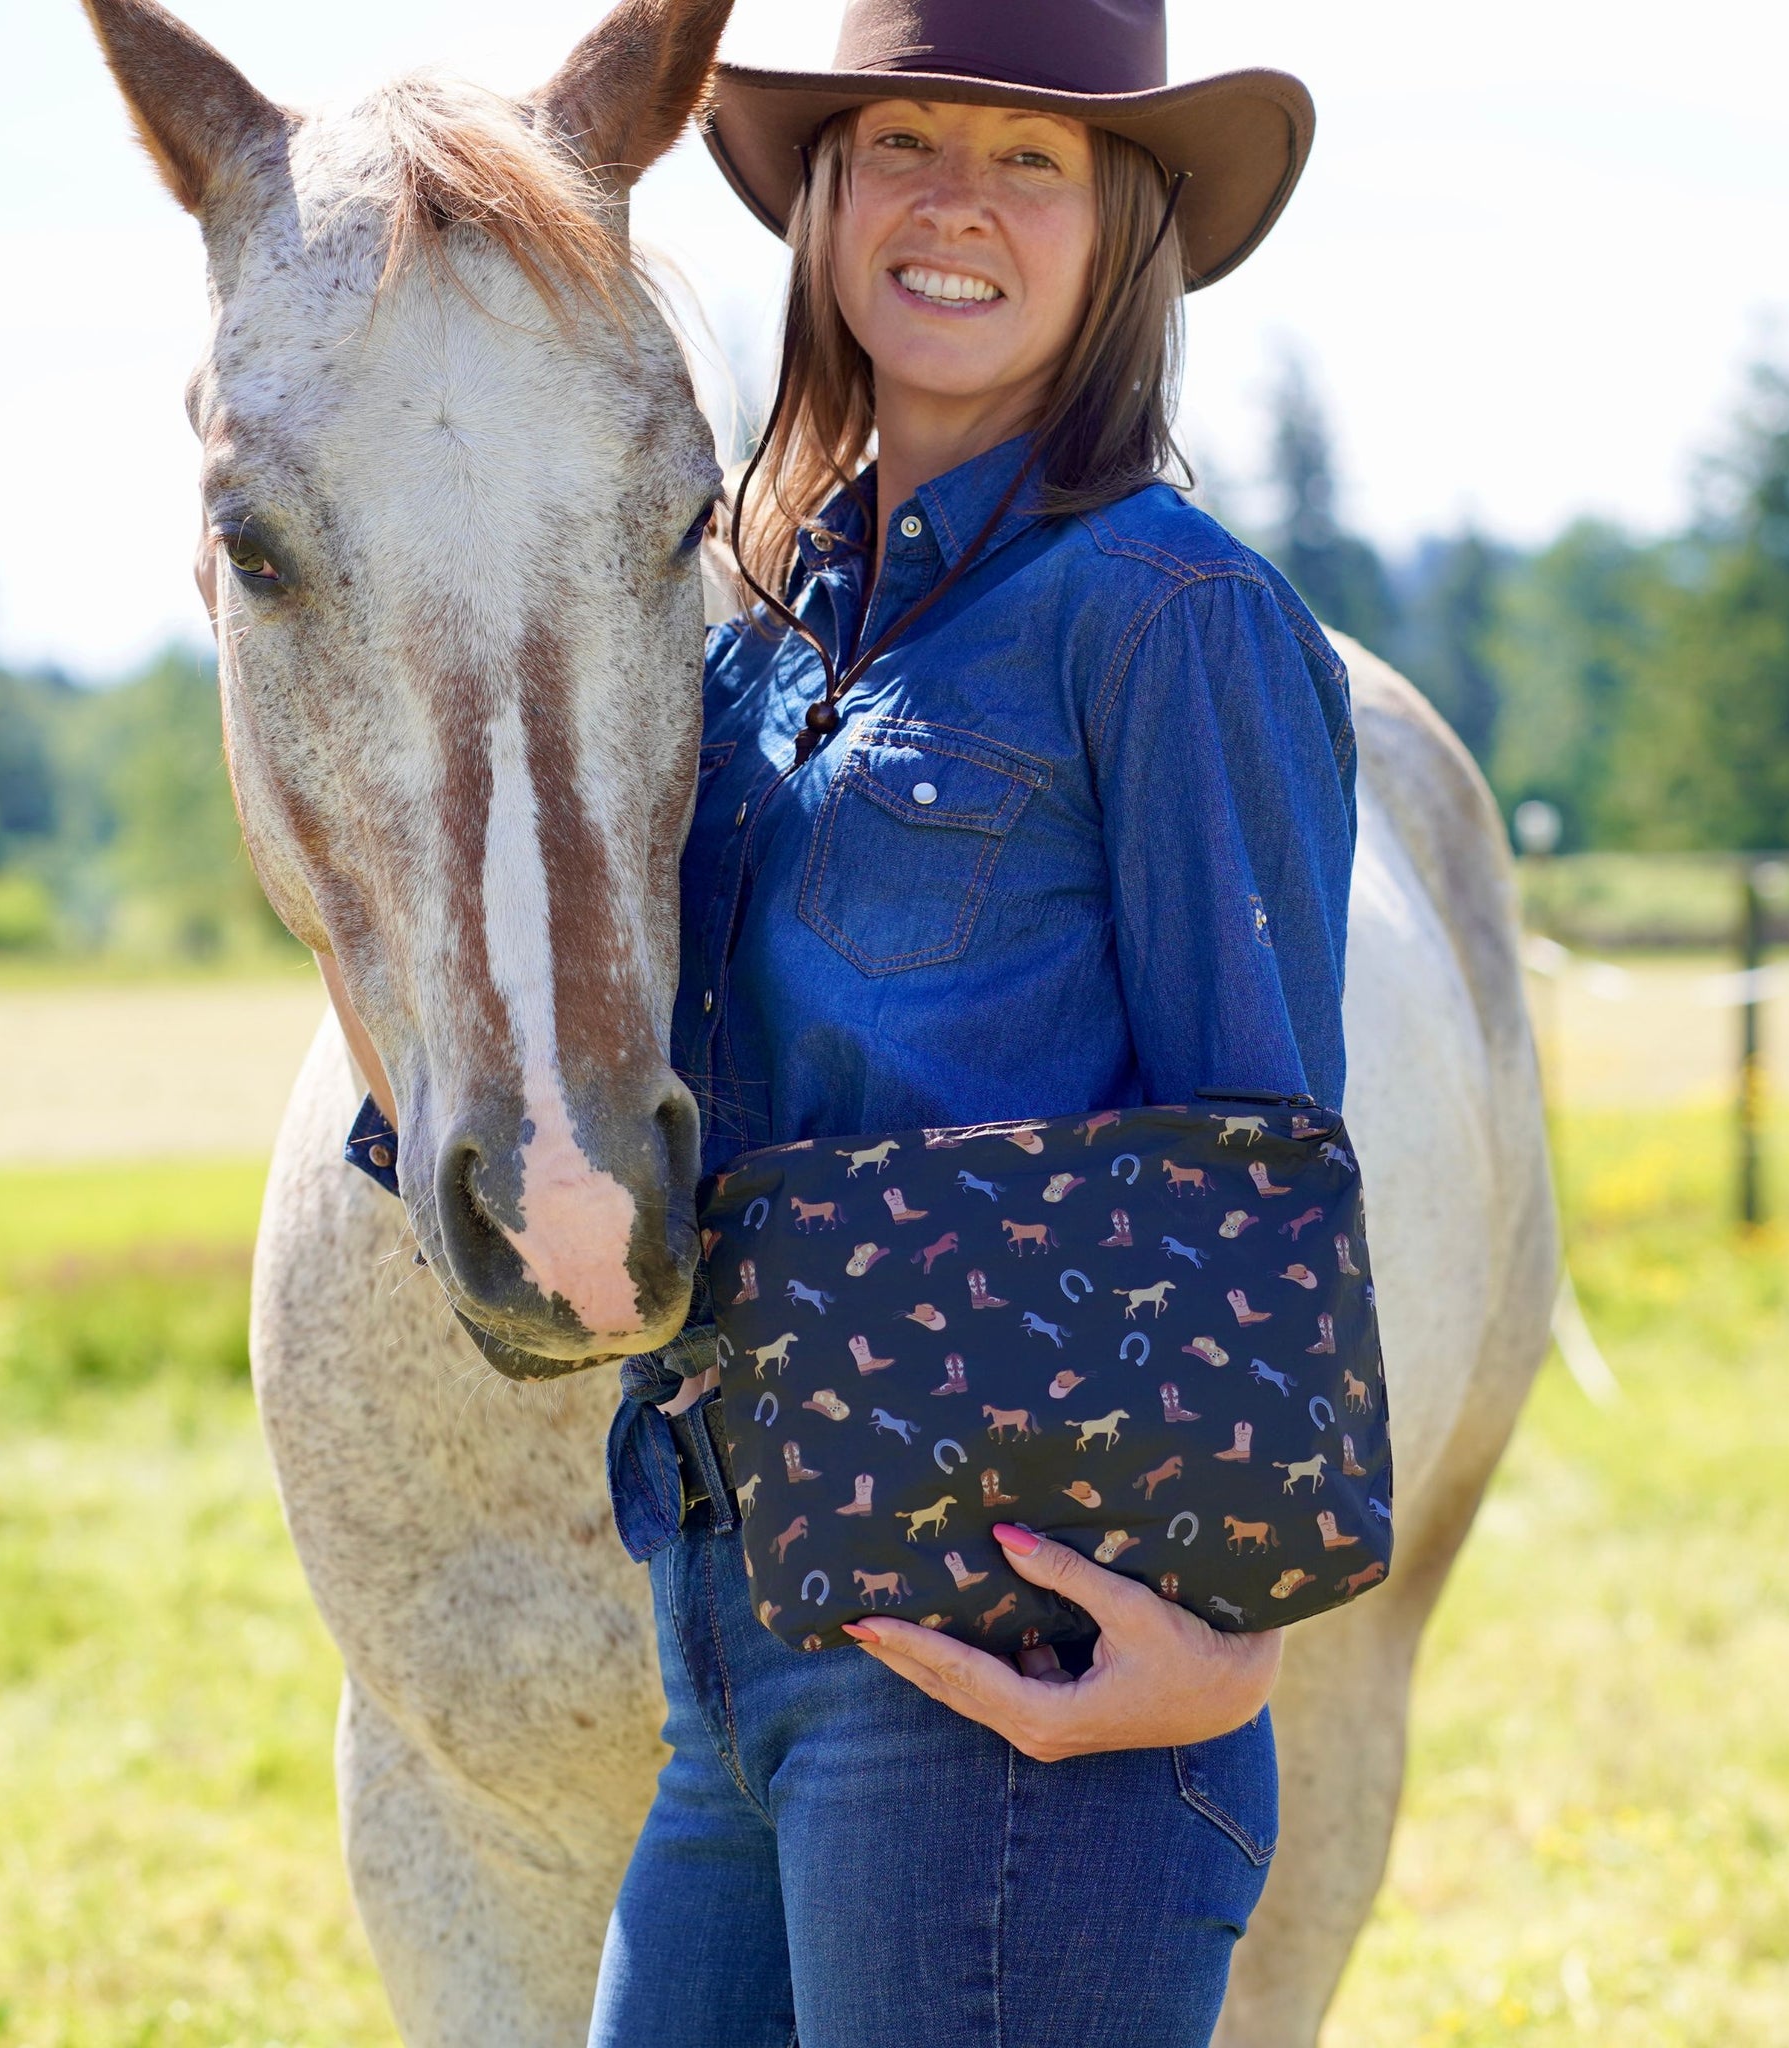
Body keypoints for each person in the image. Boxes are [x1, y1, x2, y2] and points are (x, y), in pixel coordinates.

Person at [590, 5, 1356, 2045]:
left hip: (1032, 1688)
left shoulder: (1165, 614)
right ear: (825, 195)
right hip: (732, 1638)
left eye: (1030, 159)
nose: (956, 201)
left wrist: (1231, 1643)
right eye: (907, 138)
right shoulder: (742, 632)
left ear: (1120, 231)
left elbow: (1263, 1158)